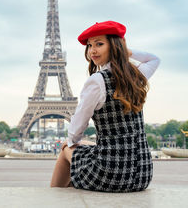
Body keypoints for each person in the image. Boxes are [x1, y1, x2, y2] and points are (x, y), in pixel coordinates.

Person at [50, 20, 160, 192]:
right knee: (85, 144)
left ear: (115, 46)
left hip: (111, 175)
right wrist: (127, 52)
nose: (92, 50)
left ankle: (53, 195)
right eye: (90, 45)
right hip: (142, 175)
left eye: (99, 44)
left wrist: (69, 143)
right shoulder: (136, 75)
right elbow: (154, 59)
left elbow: (77, 126)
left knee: (67, 147)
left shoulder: (97, 80)